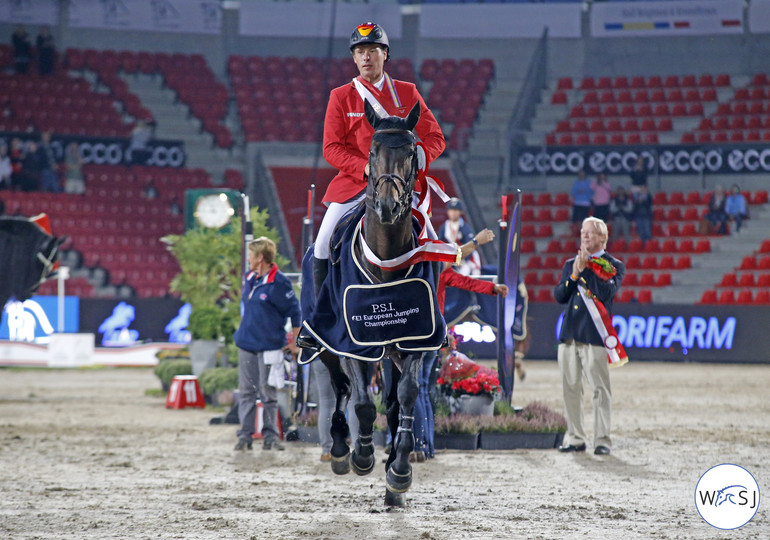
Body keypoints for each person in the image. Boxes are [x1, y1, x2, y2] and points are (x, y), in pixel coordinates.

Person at [312, 21, 445, 296]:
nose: (366, 57)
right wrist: (364, 168)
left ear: (385, 54)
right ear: (353, 57)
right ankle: (318, 319)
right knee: (323, 242)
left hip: (399, 186)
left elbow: (435, 138)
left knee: (432, 240)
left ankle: (434, 314)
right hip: (355, 184)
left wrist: (422, 153)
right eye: (360, 51)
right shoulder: (341, 97)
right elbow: (331, 148)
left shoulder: (407, 92)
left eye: (372, 50)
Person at [412, 228, 508, 461]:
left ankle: (418, 444)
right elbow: (466, 282)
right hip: (433, 334)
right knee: (424, 389)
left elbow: (463, 277)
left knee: (416, 389)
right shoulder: (438, 271)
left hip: (417, 335)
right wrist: (491, 288)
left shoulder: (420, 267)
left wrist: (475, 242)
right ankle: (427, 446)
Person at [554, 217, 625, 456]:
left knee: (599, 390)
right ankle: (575, 437)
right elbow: (560, 296)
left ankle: (602, 439)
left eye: (590, 234)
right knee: (570, 389)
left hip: (594, 337)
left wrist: (586, 271)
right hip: (569, 336)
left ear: (602, 237)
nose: (584, 237)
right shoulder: (570, 263)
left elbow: (606, 292)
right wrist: (574, 275)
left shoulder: (613, 264)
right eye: (583, 232)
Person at [234, 237, 301, 451]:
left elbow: (295, 312)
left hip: (270, 346)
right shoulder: (250, 278)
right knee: (246, 392)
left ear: (260, 257)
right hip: (246, 344)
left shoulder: (279, 283)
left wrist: (296, 342)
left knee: (268, 393)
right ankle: (245, 436)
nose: (249, 259)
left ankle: (271, 436)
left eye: (251, 255)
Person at [437, 197, 481, 276]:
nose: (453, 213)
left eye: (456, 210)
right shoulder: (445, 226)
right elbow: (438, 243)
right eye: (451, 210)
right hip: (452, 258)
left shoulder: (465, 227)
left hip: (467, 259)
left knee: (465, 276)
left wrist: (463, 259)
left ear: (460, 212)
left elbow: (471, 245)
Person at [570, 170, 593, 236]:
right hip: (577, 203)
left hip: (586, 203)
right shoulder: (576, 182)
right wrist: (578, 191)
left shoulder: (589, 182)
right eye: (580, 174)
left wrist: (585, 191)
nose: (581, 176)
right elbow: (573, 192)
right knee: (576, 219)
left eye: (583, 174)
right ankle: (576, 232)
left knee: (584, 219)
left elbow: (591, 192)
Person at [632, 184, 653, 248]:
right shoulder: (637, 197)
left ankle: (650, 244)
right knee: (641, 231)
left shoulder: (648, 196)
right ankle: (643, 244)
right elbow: (634, 207)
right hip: (639, 215)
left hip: (646, 215)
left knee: (647, 230)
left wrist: (643, 201)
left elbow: (649, 204)